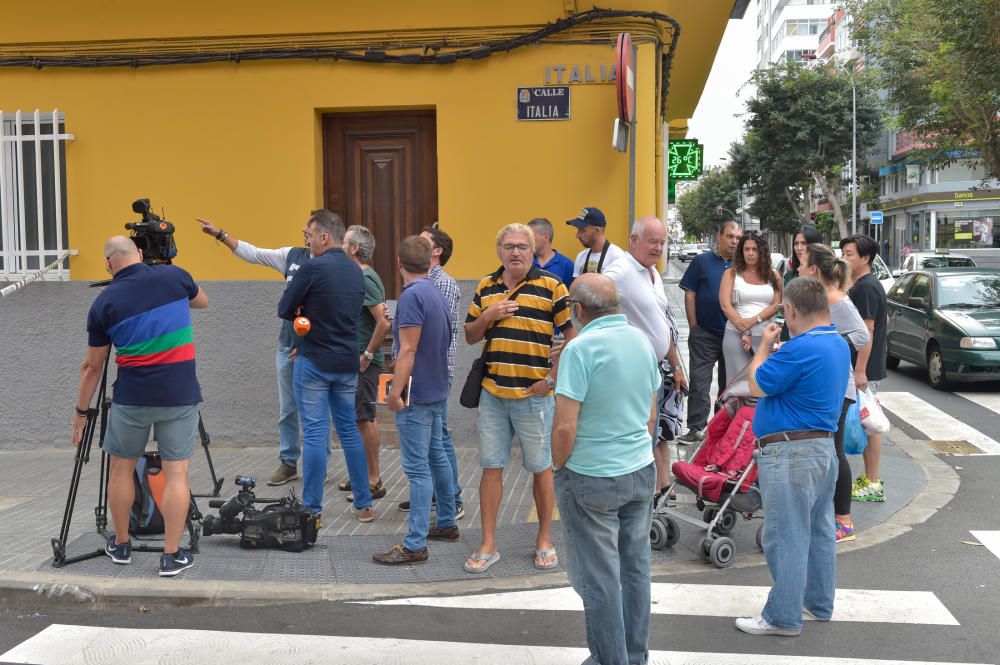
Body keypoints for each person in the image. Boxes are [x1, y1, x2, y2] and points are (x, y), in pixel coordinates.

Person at [72, 236, 208, 577]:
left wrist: (81, 412)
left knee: (120, 469)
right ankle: (172, 555)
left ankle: (120, 544)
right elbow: (202, 301)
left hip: (131, 397)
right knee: (177, 473)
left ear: (108, 264)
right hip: (178, 394)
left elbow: (93, 366)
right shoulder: (175, 276)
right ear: (142, 254)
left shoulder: (104, 303)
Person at [552, 273, 660, 665]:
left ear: (578, 311)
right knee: (635, 570)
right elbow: (651, 415)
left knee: (599, 578)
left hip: (591, 473)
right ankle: (634, 656)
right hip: (639, 467)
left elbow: (565, 425)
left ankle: (609, 660)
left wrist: (557, 464)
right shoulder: (642, 341)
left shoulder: (579, 350)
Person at [735, 278, 849, 637]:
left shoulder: (797, 350)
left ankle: (782, 616)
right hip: (822, 449)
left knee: (784, 535)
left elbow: (757, 384)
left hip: (790, 452)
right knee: (817, 530)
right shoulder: (837, 343)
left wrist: (763, 347)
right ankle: (818, 604)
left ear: (791, 310)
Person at [463, 223, 577, 573]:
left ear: (533, 250)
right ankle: (488, 543)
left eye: (522, 247)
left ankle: (544, 538)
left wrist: (551, 380)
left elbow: (574, 338)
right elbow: (469, 335)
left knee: (541, 469)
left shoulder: (552, 287)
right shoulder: (486, 286)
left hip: (533, 396)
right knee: (490, 467)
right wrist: (488, 315)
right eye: (509, 246)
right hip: (493, 394)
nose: (515, 252)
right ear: (499, 250)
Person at [195, 216, 311, 486]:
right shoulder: (292, 255)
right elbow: (254, 254)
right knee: (288, 408)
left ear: (323, 233)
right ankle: (288, 462)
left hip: (315, 346)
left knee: (315, 408)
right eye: (304, 227)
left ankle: (318, 461)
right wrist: (220, 234)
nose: (304, 230)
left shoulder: (332, 263)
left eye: (310, 227)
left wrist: (310, 343)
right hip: (287, 343)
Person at [277, 210, 373, 523]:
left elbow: (284, 308)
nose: (307, 241)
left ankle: (313, 509)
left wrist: (303, 317)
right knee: (348, 432)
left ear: (324, 237)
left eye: (309, 235)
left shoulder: (312, 267)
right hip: (346, 361)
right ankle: (363, 505)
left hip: (314, 360)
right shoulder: (356, 271)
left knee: (316, 434)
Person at [373, 236, 457, 565]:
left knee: (417, 469)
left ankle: (414, 543)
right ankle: (447, 521)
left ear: (398, 263)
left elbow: (408, 349)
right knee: (437, 456)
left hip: (417, 393)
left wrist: (396, 392)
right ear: (430, 261)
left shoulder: (411, 297)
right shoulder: (436, 292)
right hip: (436, 387)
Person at [604, 216, 688, 500]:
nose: (659, 247)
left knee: (657, 432)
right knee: (641, 434)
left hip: (657, 368)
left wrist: (676, 365)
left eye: (663, 242)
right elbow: (589, 291)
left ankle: (654, 491)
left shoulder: (651, 273)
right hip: (632, 370)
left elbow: (661, 325)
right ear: (634, 240)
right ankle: (640, 496)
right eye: (653, 241)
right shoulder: (622, 269)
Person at [801, 244, 870, 543]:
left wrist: (829, 345)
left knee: (835, 451)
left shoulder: (835, 299)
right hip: (820, 385)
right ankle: (825, 513)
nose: (799, 267)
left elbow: (861, 334)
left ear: (814, 270)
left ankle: (844, 520)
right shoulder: (817, 298)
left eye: (803, 262)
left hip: (838, 387)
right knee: (823, 450)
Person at [401, 224, 464, 519]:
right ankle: (443, 508)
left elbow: (416, 345)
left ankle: (445, 504)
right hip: (432, 373)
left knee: (431, 452)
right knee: (436, 447)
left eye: (423, 242)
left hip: (430, 375)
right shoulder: (429, 287)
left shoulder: (438, 286)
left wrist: (395, 392)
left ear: (435, 252)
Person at [336, 225, 391, 502]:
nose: (340, 246)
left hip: (364, 363)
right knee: (361, 418)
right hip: (354, 359)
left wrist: (366, 356)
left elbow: (383, 322)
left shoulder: (366, 278)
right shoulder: (358, 276)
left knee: (364, 418)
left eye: (344, 242)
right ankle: (362, 474)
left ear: (354, 248)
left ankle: (373, 480)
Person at [677, 220, 741, 443]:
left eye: (737, 238)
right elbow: (690, 293)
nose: (734, 241)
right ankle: (695, 428)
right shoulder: (702, 261)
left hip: (733, 335)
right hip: (704, 334)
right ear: (719, 236)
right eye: (730, 236)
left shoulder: (741, 266)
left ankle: (722, 427)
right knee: (700, 382)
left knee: (729, 385)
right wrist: (694, 326)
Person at [840, 234, 888, 503]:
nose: (844, 258)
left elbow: (867, 331)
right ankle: (871, 480)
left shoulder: (867, 288)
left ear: (865, 259)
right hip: (863, 366)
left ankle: (872, 482)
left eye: (849, 254)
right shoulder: (859, 285)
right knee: (866, 421)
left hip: (863, 369)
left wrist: (860, 369)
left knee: (869, 423)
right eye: (843, 253)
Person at [719, 231, 782, 386]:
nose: (750, 253)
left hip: (765, 336)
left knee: (763, 383)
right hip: (735, 335)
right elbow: (725, 305)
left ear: (762, 251)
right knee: (737, 384)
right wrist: (744, 329)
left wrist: (753, 321)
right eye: (746, 249)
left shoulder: (774, 275)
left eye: (754, 249)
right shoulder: (731, 274)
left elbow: (776, 304)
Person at [780, 224, 823, 342]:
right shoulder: (790, 275)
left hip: (813, 336)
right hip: (788, 333)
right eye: (796, 243)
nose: (799, 248)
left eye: (804, 243)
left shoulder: (823, 276)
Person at [567, 207, 626, 277]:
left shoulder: (617, 257)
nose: (577, 235)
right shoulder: (581, 256)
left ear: (597, 230)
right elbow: (576, 287)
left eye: (582, 230)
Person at [527, 217, 575, 287]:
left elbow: (569, 294)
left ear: (546, 237)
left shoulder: (566, 265)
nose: (527, 240)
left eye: (531, 236)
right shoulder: (525, 261)